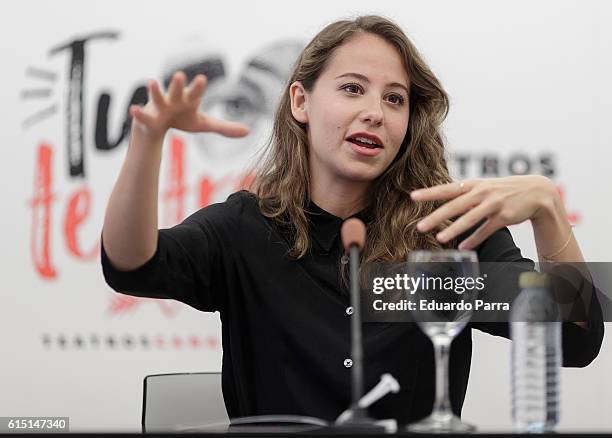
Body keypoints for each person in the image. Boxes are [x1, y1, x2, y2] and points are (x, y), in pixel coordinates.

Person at [101, 15, 604, 425]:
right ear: (301, 101)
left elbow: (576, 337)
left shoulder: (449, 232)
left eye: (394, 99)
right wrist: (147, 141)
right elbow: (132, 265)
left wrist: (548, 210)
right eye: (352, 89)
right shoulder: (245, 227)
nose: (375, 113)